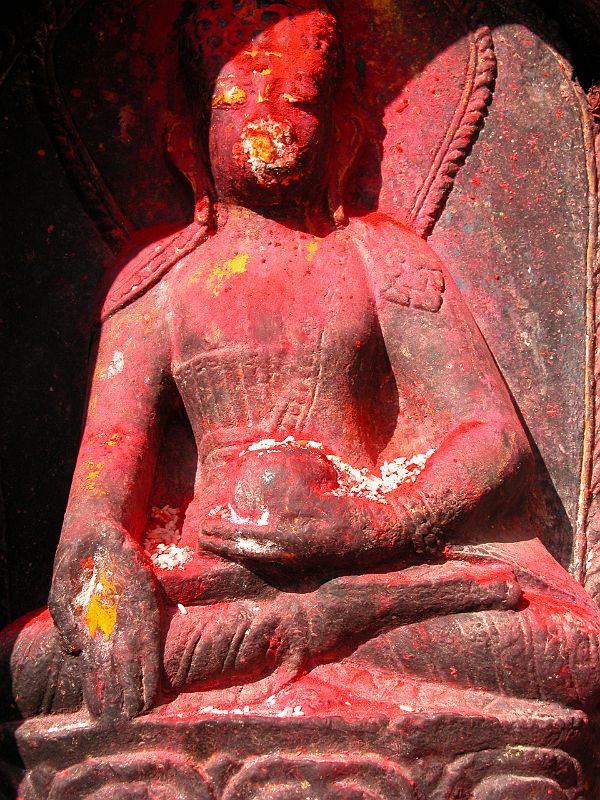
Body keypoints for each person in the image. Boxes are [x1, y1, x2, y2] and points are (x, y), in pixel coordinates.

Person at [2, 0, 600, 721]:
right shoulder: (156, 286)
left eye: (300, 98)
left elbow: (493, 438)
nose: (269, 115)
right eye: (239, 94)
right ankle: (316, 633)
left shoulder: (382, 259)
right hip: (210, 583)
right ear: (188, 138)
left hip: (383, 566)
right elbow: (98, 504)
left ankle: (311, 632)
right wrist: (106, 591)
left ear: (342, 136)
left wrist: (383, 523)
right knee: (32, 665)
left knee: (569, 652)